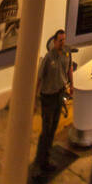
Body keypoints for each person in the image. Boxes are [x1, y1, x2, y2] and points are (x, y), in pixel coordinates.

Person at [34, 29, 73, 175]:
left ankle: (46, 157)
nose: (63, 43)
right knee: (46, 130)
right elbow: (39, 79)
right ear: (54, 41)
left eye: (64, 40)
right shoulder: (48, 58)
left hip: (59, 94)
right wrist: (34, 99)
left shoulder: (66, 54)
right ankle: (41, 160)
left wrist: (72, 85)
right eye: (60, 40)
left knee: (53, 129)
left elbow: (68, 69)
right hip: (48, 97)